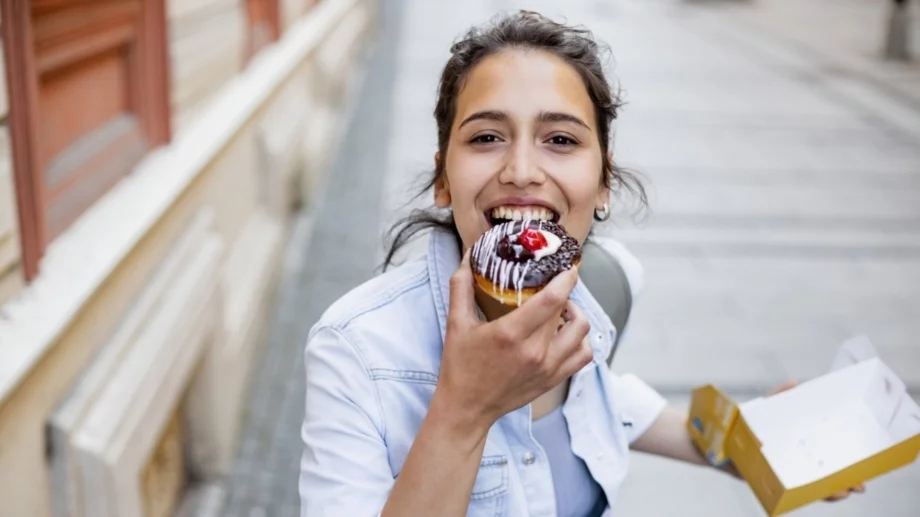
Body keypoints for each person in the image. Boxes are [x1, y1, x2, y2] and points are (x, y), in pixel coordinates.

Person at [299, 11, 862, 516]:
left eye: (561, 139)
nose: (521, 169)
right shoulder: (357, 350)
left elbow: (608, 403)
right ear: (444, 178)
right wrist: (465, 409)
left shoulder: (598, 290)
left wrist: (752, 440)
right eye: (488, 136)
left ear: (603, 184)